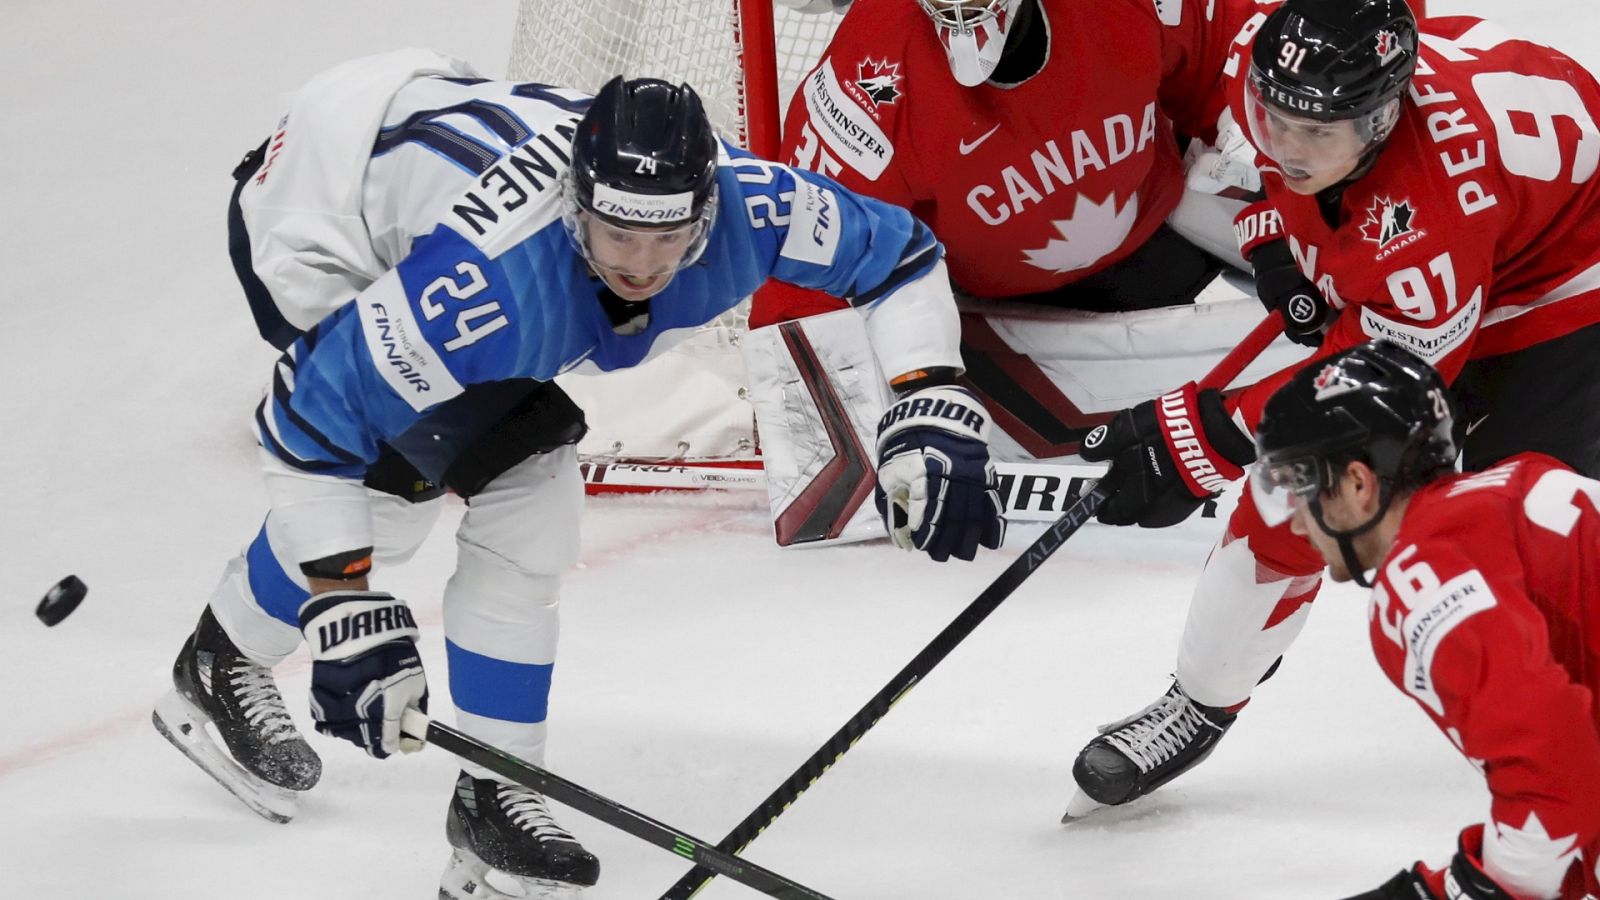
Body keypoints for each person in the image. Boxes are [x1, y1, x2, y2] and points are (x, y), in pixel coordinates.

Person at [150, 49, 1004, 899]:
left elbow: (902, 258)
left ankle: (465, 780)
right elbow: (307, 415)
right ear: (574, 208)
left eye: (669, 237)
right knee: (423, 499)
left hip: (419, 136)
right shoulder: (485, 283)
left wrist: (928, 390)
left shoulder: (758, 207)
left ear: (707, 213)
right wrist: (342, 596)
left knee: (496, 497)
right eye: (617, 233)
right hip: (320, 210)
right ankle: (262, 678)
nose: (641, 263)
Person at [1062, 0, 1600, 820]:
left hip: (1562, 279)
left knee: (1521, 527)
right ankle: (1200, 700)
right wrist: (1275, 234)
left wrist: (1204, 433)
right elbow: (1264, 148)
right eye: (1278, 118)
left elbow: (1366, 392)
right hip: (1469, 236)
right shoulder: (1284, 72)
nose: (1288, 144)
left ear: (1384, 119)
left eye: (1319, 132)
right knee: (1292, 495)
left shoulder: (1424, 222)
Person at [1249, 340, 1600, 900]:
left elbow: (1554, 774)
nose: (1294, 524)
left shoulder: (1421, 572)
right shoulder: (1517, 483)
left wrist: (1458, 891)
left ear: (1359, 486)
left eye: (1298, 486)